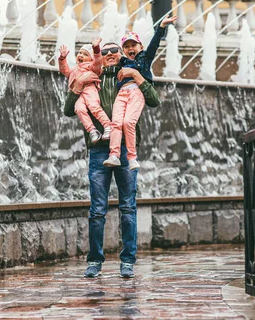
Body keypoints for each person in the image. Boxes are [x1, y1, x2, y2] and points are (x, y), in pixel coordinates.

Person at [63, 41, 160, 279]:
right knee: (97, 210)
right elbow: (68, 110)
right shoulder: (90, 75)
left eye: (113, 51)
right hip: (99, 151)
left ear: (121, 54)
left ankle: (127, 261)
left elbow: (154, 99)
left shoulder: (129, 75)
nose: (109, 55)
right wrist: (76, 87)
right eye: (104, 52)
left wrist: (137, 75)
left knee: (128, 207)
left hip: (126, 151)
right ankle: (95, 261)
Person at [103, 15, 178, 170]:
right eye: (127, 46)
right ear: (123, 50)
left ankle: (132, 158)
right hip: (122, 92)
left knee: (128, 122)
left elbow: (154, 44)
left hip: (136, 91)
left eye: (134, 45)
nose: (131, 48)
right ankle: (114, 155)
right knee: (115, 123)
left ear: (140, 47)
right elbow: (103, 61)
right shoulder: (122, 62)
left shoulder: (145, 58)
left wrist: (161, 27)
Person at [58, 38, 111, 143]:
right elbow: (64, 70)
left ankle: (108, 126)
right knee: (79, 109)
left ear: (91, 59)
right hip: (79, 93)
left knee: (94, 107)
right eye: (80, 53)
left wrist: (96, 49)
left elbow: (98, 62)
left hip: (89, 89)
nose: (81, 55)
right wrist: (62, 58)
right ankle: (92, 130)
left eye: (85, 54)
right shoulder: (74, 69)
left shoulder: (91, 67)